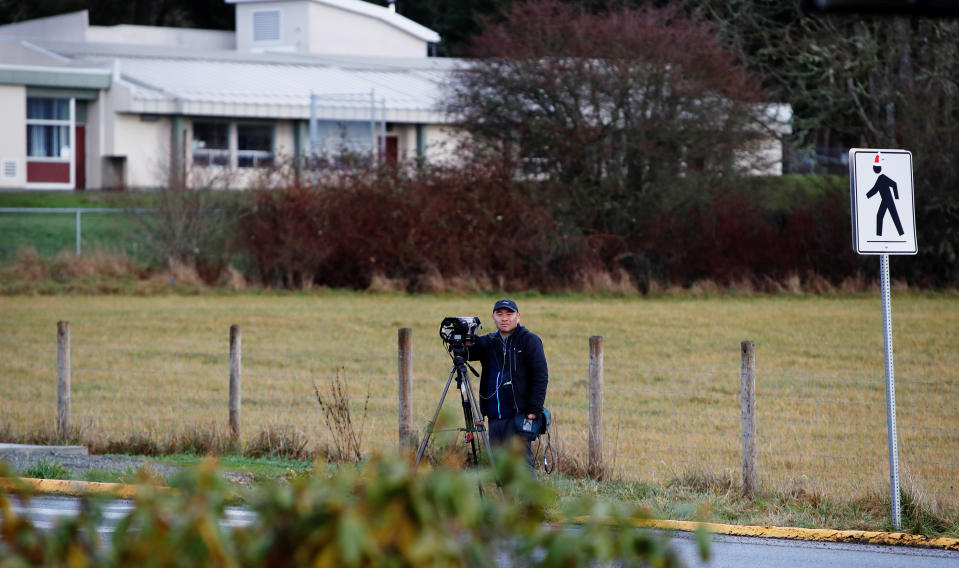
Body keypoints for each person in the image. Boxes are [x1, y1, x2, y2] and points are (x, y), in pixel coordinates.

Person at [469, 299, 548, 467]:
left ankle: (529, 495)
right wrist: (463, 336)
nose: (504, 318)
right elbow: (467, 352)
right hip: (494, 415)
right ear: (493, 317)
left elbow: (540, 375)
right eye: (500, 314)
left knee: (522, 463)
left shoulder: (529, 341)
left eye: (509, 314)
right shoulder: (489, 342)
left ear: (518, 317)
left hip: (519, 414)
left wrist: (534, 408)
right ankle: (504, 495)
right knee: (499, 464)